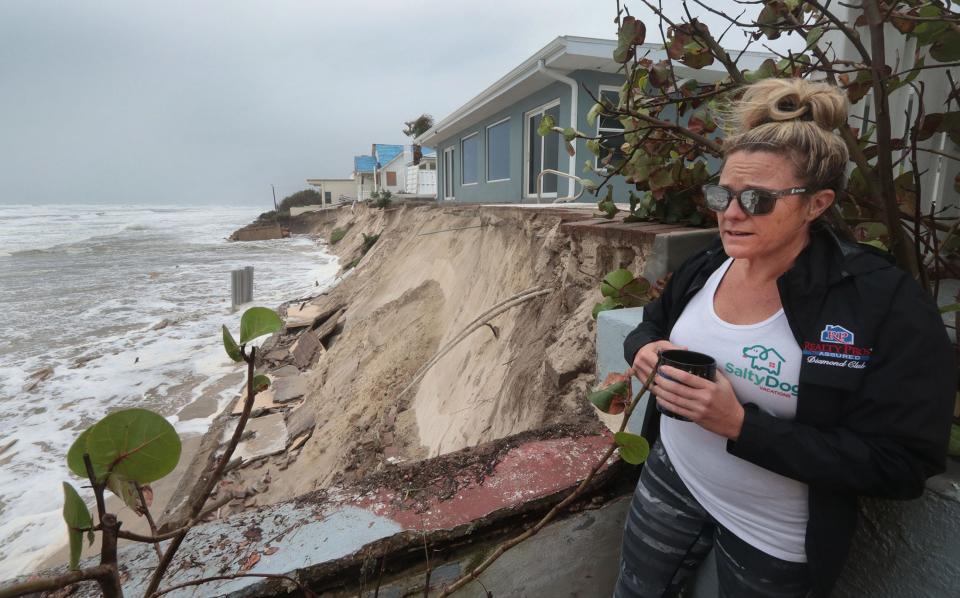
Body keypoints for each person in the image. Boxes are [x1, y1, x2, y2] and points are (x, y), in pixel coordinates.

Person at [614, 78, 955, 598]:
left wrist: (740, 425)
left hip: (773, 534)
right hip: (673, 476)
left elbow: (902, 464)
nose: (731, 213)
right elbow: (651, 322)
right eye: (721, 194)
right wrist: (641, 348)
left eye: (757, 199)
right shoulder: (710, 264)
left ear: (816, 204)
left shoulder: (881, 302)